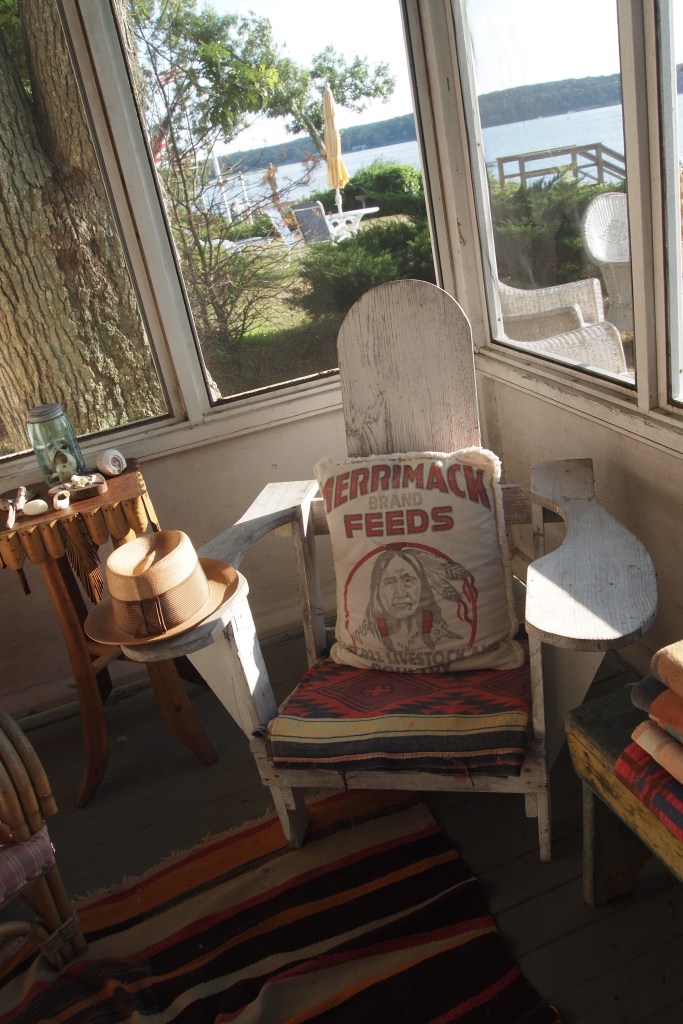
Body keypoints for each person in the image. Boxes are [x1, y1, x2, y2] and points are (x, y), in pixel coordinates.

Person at [352, 545, 473, 653]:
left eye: (408, 580)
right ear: (376, 592)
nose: (400, 592)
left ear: (423, 587)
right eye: (389, 582)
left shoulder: (444, 638)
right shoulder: (364, 639)